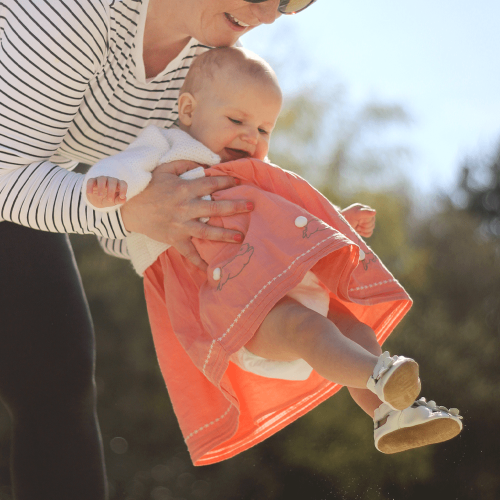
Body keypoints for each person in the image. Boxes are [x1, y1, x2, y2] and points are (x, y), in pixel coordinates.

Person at [84, 47, 463, 466]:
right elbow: (126, 167)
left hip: (288, 277)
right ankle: (378, 375)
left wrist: (336, 218)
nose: (252, 138)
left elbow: (287, 208)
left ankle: (388, 413)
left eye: (265, 130)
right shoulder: (166, 147)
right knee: (306, 328)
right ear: (188, 110)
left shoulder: (253, 169)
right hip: (230, 302)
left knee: (353, 330)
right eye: (237, 121)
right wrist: (108, 184)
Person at [0, 0, 319, 497]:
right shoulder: (74, 12)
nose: (270, 13)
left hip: (16, 179)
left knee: (56, 373)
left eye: (289, 2)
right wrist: (135, 212)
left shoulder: (205, 71)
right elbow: (7, 175)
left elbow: (127, 213)